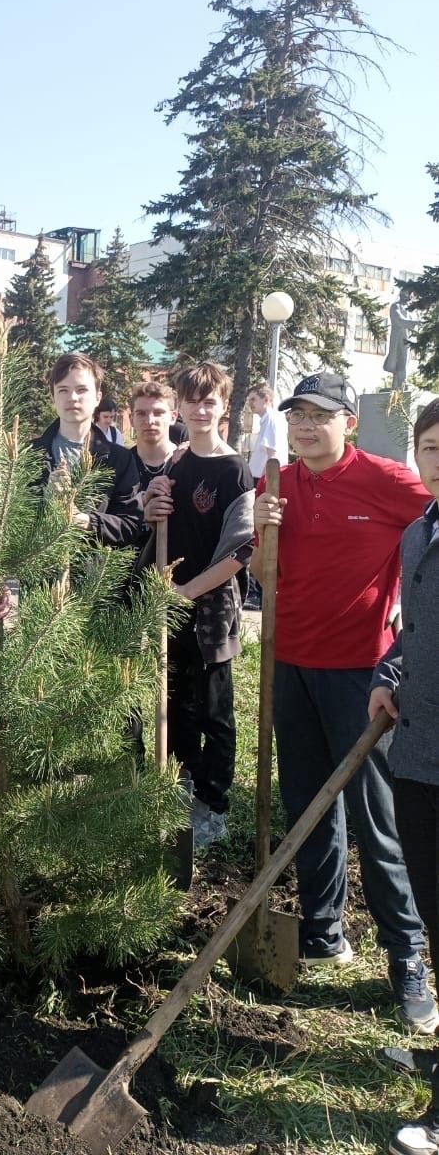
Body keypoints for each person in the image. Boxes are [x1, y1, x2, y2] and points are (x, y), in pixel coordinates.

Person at [252, 370, 437, 1033]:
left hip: (362, 677)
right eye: (296, 416)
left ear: (346, 421)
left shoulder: (389, 482)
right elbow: (260, 577)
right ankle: (322, 931)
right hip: (287, 666)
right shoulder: (274, 484)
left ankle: (406, 958)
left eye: (319, 416)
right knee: (306, 806)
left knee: (378, 821)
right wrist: (259, 531)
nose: (306, 427)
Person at [367, 399, 439, 1155]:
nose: (438, 459)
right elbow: (411, 630)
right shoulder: (420, 532)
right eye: (429, 446)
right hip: (417, 754)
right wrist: (388, 672)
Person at [142, 363, 254, 847]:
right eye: (192, 401)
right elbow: (157, 523)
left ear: (223, 406)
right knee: (175, 702)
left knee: (214, 709)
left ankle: (214, 802)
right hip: (172, 602)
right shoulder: (177, 463)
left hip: (211, 609)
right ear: (181, 406)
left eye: (210, 401)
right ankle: (182, 782)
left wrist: (188, 591)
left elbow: (239, 552)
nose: (200, 409)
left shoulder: (235, 470)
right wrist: (153, 502)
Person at [31, 353, 142, 548]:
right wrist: (47, 501)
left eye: (81, 390)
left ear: (98, 397)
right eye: (63, 390)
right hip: (38, 575)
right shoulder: (28, 455)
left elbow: (131, 525)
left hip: (94, 574)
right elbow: (9, 523)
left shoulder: (119, 460)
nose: (72, 397)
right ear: (53, 397)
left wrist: (85, 521)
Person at [244, 382, 289, 608]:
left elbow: (271, 456)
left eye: (254, 399)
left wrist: (264, 484)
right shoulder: (266, 420)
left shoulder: (271, 419)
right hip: (260, 479)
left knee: (258, 534)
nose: (250, 404)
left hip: (263, 480)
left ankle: (258, 593)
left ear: (266, 400)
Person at [128, 380, 178, 488]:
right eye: (141, 414)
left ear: (173, 417)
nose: (150, 421)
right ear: (131, 419)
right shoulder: (121, 465)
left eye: (158, 413)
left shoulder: (185, 462)